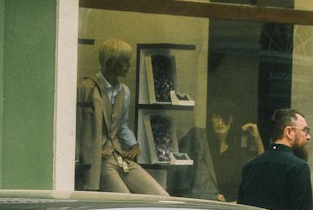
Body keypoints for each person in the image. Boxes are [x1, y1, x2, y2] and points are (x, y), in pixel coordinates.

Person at [75, 39, 169, 196]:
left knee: (161, 196)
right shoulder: (86, 88)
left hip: (119, 156)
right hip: (100, 161)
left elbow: (122, 125)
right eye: (125, 61)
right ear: (112, 62)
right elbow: (76, 126)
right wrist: (89, 151)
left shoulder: (124, 91)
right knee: (126, 199)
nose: (129, 65)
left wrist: (133, 145)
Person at [237, 107, 313, 210]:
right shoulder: (299, 168)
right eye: (305, 130)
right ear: (289, 132)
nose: (308, 136)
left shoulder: (249, 167)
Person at [182, 111, 262, 201]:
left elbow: (260, 172)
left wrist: (257, 138)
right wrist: (210, 196)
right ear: (210, 119)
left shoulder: (237, 153)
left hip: (228, 208)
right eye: (216, 117)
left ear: (231, 119)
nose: (220, 122)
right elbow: (186, 180)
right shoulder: (199, 142)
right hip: (203, 205)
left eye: (224, 117)